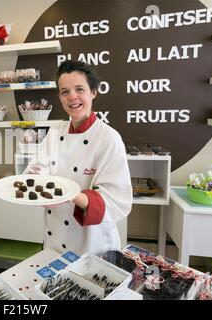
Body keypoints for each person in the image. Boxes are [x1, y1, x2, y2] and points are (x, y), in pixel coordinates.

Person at [24, 60, 132, 256]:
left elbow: (117, 201)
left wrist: (71, 194)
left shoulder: (108, 139)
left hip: (93, 245)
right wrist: (38, 180)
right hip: (54, 240)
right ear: (60, 97)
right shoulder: (56, 132)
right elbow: (36, 168)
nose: (72, 96)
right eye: (65, 92)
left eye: (79, 89)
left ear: (93, 92)